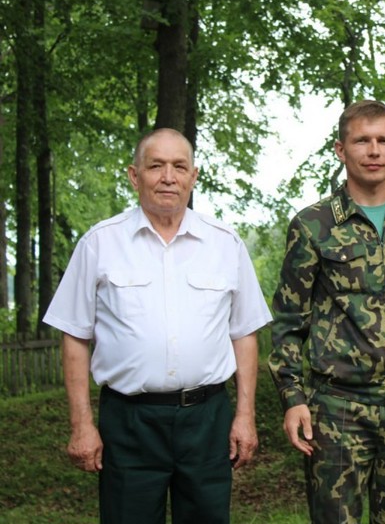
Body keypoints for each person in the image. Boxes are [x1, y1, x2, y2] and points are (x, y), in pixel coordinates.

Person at [43, 128, 271, 524]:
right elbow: (75, 336)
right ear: (135, 175)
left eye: (179, 167)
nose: (169, 177)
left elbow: (244, 334)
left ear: (193, 176)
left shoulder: (225, 244)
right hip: (130, 421)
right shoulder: (100, 243)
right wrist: (81, 424)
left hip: (207, 419)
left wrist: (244, 416)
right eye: (156, 166)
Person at [268, 99, 385, 524]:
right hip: (337, 409)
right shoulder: (313, 225)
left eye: (382, 141)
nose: (373, 150)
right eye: (362, 141)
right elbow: (287, 321)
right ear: (341, 150)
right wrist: (293, 398)